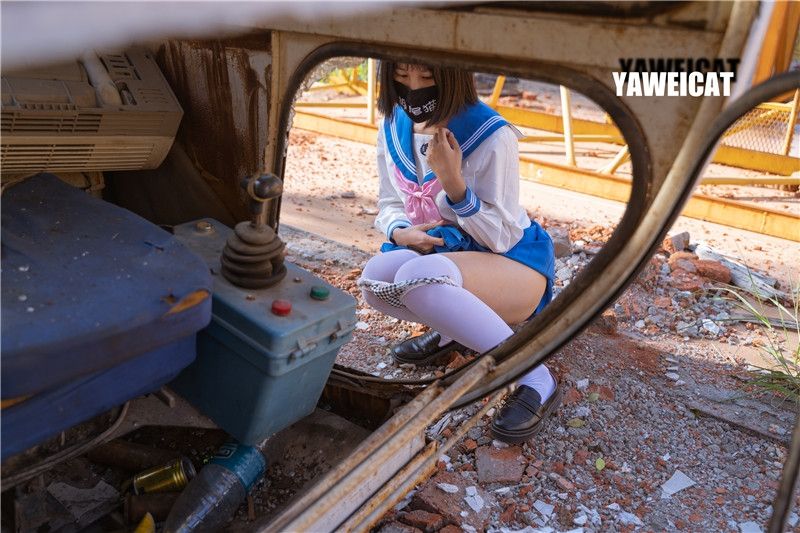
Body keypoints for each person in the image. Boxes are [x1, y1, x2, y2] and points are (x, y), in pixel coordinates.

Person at [357, 61, 562, 443]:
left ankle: (534, 377)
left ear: (452, 73)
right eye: (401, 77)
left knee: (417, 279)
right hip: (450, 256)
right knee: (376, 279)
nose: (413, 88)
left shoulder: (491, 134)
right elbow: (390, 202)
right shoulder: (393, 124)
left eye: (426, 77)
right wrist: (400, 232)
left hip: (514, 262)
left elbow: (500, 237)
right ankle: (456, 331)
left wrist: (454, 185)